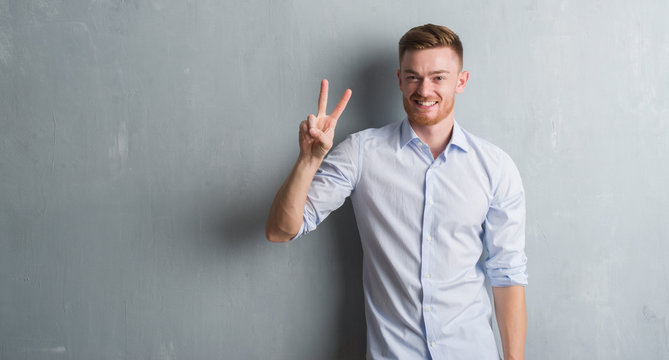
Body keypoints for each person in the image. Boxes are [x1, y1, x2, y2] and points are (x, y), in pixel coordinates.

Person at [266, 24, 527, 360]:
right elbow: (280, 230)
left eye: (438, 77)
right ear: (400, 80)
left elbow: (507, 274)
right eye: (413, 76)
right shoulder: (361, 153)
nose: (424, 89)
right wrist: (309, 159)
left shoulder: (496, 167)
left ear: (460, 81)